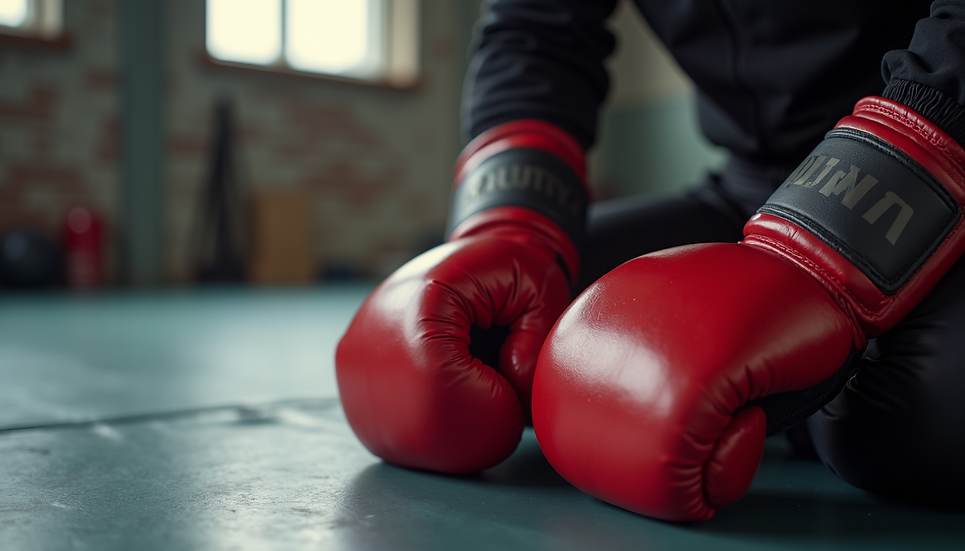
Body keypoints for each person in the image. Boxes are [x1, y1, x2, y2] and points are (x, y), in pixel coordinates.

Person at [336, 0, 965, 521]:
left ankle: (779, 379)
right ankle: (782, 385)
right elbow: (535, 28)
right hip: (745, 192)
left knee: (932, 407)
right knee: (500, 325)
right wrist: (506, 220)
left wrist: (825, 246)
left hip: (937, 171)